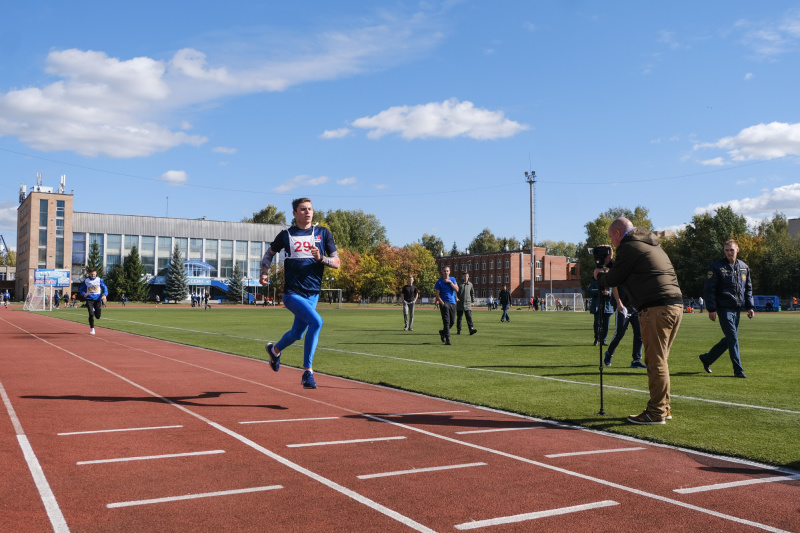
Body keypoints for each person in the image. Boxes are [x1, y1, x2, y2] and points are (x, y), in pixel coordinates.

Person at [595, 217, 683, 425]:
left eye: (611, 238)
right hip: (673, 304)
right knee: (659, 360)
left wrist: (600, 276)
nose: (612, 243)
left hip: (656, 307)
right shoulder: (647, 242)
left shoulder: (629, 245)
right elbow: (629, 271)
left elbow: (615, 278)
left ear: (617, 233)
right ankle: (663, 406)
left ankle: (656, 412)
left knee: (655, 362)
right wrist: (611, 264)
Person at [260, 198, 340, 389]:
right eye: (303, 209)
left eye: (310, 209)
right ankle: (307, 372)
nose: (307, 212)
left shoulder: (323, 233)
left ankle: (275, 350)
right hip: (292, 293)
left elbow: (337, 263)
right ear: (295, 213)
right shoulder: (287, 235)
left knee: (297, 333)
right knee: (317, 322)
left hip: (312, 294)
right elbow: (269, 254)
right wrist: (264, 272)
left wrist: (322, 259)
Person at [699, 239, 754, 378]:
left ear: (738, 250)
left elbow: (748, 289)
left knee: (730, 339)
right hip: (723, 308)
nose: (729, 253)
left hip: (737, 309)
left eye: (732, 250)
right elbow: (709, 289)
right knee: (733, 338)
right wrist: (711, 309)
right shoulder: (716, 267)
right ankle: (738, 370)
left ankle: (707, 358)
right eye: (727, 250)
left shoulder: (744, 267)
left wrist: (750, 306)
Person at [604, 286, 645, 368]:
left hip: (635, 307)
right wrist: (618, 303)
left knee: (639, 333)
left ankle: (636, 360)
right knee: (620, 333)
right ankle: (609, 353)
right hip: (623, 307)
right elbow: (614, 286)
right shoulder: (621, 273)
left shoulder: (637, 274)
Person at [79, 269, 108, 335]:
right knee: (91, 314)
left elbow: (105, 288)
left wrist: (105, 295)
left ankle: (95, 311)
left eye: (94, 274)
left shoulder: (100, 280)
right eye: (91, 274)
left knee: (97, 316)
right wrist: (83, 293)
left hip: (97, 299)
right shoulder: (86, 281)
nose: (93, 275)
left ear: (96, 274)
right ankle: (92, 328)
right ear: (89, 274)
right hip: (89, 299)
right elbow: (81, 289)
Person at [434, 266, 458, 345]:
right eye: (444, 271)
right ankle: (447, 339)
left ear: (449, 272)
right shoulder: (439, 282)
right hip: (444, 303)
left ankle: (443, 332)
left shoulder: (453, 279)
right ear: (442, 272)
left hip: (453, 303)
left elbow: (457, 289)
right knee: (446, 322)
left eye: (447, 271)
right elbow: (437, 295)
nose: (446, 272)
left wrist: (450, 282)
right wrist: (442, 304)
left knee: (452, 322)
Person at [588, 278, 614, 346]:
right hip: (597, 306)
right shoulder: (594, 281)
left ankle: (603, 340)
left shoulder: (611, 282)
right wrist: (600, 291)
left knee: (606, 325)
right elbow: (590, 291)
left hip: (607, 307)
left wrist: (608, 293)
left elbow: (616, 293)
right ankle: (596, 339)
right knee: (597, 323)